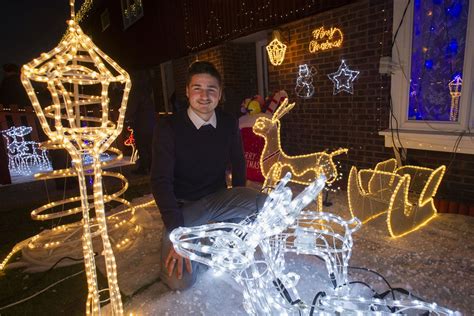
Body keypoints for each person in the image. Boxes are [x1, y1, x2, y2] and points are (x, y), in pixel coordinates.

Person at [151, 61, 266, 290]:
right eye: (197, 88)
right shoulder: (169, 127)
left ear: (220, 93)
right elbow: (160, 182)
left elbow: (238, 163)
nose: (204, 95)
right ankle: (206, 243)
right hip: (186, 210)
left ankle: (218, 237)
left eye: (211, 89)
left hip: (219, 200)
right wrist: (178, 233)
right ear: (187, 91)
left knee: (263, 203)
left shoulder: (227, 123)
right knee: (179, 282)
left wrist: (237, 203)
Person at [125, 69, 156, 174]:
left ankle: (144, 167)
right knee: (149, 145)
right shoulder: (147, 89)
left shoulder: (136, 90)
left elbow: (133, 107)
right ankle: (151, 167)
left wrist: (126, 117)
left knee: (142, 145)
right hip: (150, 122)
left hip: (141, 122)